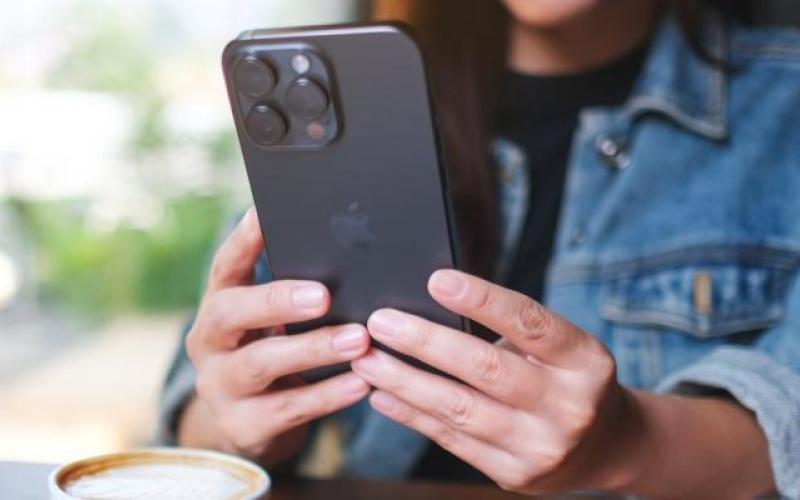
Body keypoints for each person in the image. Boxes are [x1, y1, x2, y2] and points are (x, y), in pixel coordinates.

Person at [159, 0, 800, 497]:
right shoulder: (355, 101)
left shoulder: (784, 105)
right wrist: (236, 427)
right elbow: (201, 411)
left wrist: (628, 444)